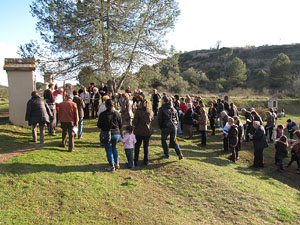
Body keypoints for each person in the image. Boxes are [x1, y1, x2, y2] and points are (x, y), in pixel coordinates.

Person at [97, 99, 123, 171]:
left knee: (108, 149)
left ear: (106, 105)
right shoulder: (117, 114)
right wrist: (121, 133)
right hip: (116, 133)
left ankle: (111, 166)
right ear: (113, 105)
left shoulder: (102, 114)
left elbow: (99, 125)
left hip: (106, 133)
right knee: (114, 148)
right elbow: (120, 124)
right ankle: (117, 163)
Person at [133, 100, 154, 166]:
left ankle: (136, 160)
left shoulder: (138, 112)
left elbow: (134, 122)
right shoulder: (150, 111)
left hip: (139, 131)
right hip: (147, 131)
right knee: (146, 146)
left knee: (137, 146)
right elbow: (152, 119)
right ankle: (146, 161)